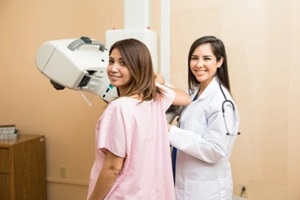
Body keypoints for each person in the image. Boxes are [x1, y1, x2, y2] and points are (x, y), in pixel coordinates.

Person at [86, 38, 191, 200]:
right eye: (111, 61)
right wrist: (157, 81)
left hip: (122, 194)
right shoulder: (156, 98)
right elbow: (185, 98)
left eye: (123, 63)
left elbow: (113, 167)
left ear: (138, 67)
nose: (113, 68)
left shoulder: (119, 108)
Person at [168, 36, 240, 200]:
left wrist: (171, 132)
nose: (199, 64)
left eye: (206, 58)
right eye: (194, 58)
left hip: (205, 190)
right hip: (184, 181)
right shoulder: (195, 93)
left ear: (219, 61)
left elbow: (216, 150)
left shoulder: (221, 102)